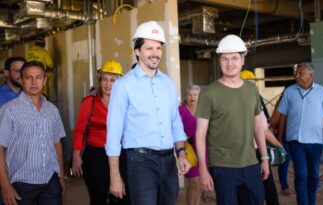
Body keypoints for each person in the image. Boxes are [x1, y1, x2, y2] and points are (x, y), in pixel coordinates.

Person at [105, 21, 191, 205]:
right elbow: (113, 133)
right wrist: (114, 175)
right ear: (137, 51)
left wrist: (182, 153)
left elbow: (175, 123)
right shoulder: (123, 85)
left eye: (158, 48)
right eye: (149, 48)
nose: (155, 53)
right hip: (140, 162)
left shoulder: (168, 83)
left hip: (169, 161)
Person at [195, 34, 269, 205]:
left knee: (257, 200)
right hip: (223, 166)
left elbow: (258, 125)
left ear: (243, 60)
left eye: (235, 58)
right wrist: (203, 169)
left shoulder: (251, 90)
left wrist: (264, 158)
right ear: (219, 61)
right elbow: (200, 134)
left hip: (250, 162)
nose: (230, 63)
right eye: (225, 59)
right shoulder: (209, 93)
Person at [0, 61, 66, 205]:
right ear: (21, 80)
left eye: (38, 77)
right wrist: (5, 186)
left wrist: (61, 177)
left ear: (45, 80)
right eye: (29, 77)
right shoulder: (9, 110)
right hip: (21, 184)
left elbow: (57, 144)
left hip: (50, 181)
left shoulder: (52, 109)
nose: (34, 82)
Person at [277, 63, 323, 205]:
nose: (296, 76)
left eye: (300, 73)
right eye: (296, 73)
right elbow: (283, 116)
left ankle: (312, 201)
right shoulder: (289, 92)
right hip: (295, 140)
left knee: (313, 175)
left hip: (316, 142)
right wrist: (279, 138)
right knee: (301, 174)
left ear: (310, 75)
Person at [71, 60, 129, 205]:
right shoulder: (89, 102)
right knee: (98, 197)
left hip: (120, 155)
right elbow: (79, 130)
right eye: (104, 79)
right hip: (95, 156)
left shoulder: (126, 103)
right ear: (100, 81)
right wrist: (76, 156)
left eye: (112, 80)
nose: (108, 84)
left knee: (123, 197)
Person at [239, 70, 281, 205]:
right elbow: (263, 130)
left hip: (257, 151)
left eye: (253, 84)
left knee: (266, 186)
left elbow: (264, 129)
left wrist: (278, 146)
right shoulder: (237, 103)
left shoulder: (257, 101)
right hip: (243, 154)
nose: (252, 87)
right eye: (249, 84)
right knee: (252, 189)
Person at [179, 85, 203, 205]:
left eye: (195, 94)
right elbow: (176, 130)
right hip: (188, 149)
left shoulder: (203, 110)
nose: (192, 97)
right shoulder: (181, 110)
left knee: (199, 183)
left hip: (203, 149)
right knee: (194, 181)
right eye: (189, 94)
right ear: (185, 97)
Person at [269, 91, 293, 197]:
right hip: (285, 135)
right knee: (285, 161)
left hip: (296, 136)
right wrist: (279, 138)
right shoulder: (284, 101)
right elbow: (277, 119)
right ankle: (284, 186)